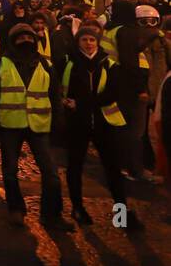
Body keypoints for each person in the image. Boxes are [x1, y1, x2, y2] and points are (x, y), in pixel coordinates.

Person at [0, 23, 69, 229]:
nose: (26, 41)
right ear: (13, 42)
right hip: (10, 125)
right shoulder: (1, 64)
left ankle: (51, 214)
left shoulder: (45, 65)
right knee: (10, 172)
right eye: (21, 38)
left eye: (29, 38)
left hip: (39, 126)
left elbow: (54, 96)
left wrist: (58, 123)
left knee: (50, 173)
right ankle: (16, 209)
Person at [59, 25, 142, 231]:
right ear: (78, 42)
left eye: (92, 40)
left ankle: (121, 214)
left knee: (113, 169)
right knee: (75, 167)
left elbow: (112, 94)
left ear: (97, 42)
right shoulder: (68, 63)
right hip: (77, 124)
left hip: (105, 123)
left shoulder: (109, 65)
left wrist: (81, 103)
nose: (88, 43)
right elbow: (60, 89)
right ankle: (78, 208)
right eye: (84, 40)